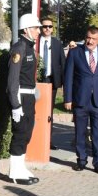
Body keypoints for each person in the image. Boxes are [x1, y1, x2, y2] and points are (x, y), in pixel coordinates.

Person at [63, 26, 98, 174]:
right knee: (80, 132)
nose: (90, 41)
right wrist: (68, 98)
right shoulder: (75, 53)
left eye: (93, 39)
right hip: (80, 100)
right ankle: (81, 160)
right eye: (88, 38)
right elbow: (68, 78)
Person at [6, 14, 41, 185]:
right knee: (20, 133)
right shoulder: (19, 48)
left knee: (27, 132)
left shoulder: (29, 48)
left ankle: (20, 166)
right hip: (20, 95)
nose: (38, 31)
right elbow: (13, 79)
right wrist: (15, 104)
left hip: (29, 95)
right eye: (35, 28)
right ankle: (14, 170)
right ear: (26, 29)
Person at [37, 16, 65, 150]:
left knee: (49, 112)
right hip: (36, 80)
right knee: (35, 110)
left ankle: (48, 140)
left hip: (51, 81)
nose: (47, 29)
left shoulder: (57, 44)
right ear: (41, 27)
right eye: (45, 26)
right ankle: (35, 139)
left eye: (50, 26)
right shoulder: (35, 42)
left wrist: (63, 84)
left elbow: (62, 64)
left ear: (53, 29)